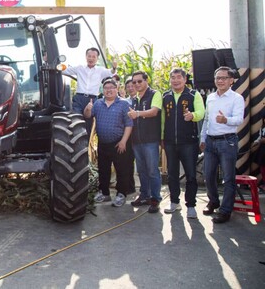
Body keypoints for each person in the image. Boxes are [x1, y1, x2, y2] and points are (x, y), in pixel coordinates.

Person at [200, 66, 245, 224]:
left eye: (223, 78)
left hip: (227, 141)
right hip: (211, 141)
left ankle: (225, 210)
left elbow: (239, 119)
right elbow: (206, 120)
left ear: (231, 80)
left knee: (228, 179)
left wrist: (226, 120)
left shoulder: (236, 98)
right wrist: (202, 138)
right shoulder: (211, 97)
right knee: (208, 175)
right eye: (217, 78)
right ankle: (213, 201)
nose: (220, 81)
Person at [162, 68, 205, 219]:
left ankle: (191, 205)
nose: (175, 80)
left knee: (191, 175)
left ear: (185, 79)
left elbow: (201, 113)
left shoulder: (193, 95)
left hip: (188, 142)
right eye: (172, 78)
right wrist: (162, 138)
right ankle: (174, 202)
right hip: (170, 143)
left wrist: (193, 115)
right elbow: (163, 120)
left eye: (178, 77)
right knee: (172, 174)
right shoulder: (166, 96)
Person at [84, 78, 133, 207]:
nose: (109, 90)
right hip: (103, 143)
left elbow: (129, 124)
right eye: (106, 88)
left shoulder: (123, 104)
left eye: (111, 87)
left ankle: (121, 194)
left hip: (119, 143)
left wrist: (123, 141)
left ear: (116, 89)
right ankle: (104, 193)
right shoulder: (98, 103)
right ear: (103, 90)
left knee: (121, 169)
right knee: (103, 169)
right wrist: (88, 109)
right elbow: (88, 116)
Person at [128, 70, 163, 213]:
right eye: (134, 82)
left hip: (150, 140)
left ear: (146, 81)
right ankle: (144, 195)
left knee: (153, 171)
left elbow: (154, 111)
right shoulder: (135, 99)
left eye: (139, 81)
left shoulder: (155, 94)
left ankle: (155, 199)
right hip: (137, 141)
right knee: (141, 171)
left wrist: (137, 114)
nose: (136, 84)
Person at [62, 47, 117, 133]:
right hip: (79, 98)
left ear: (97, 58)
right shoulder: (80, 68)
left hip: (92, 100)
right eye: (89, 56)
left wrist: (114, 67)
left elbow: (111, 72)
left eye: (93, 57)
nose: (91, 58)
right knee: (76, 121)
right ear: (86, 57)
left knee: (89, 124)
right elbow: (64, 71)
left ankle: (87, 144)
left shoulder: (100, 70)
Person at [251, 115, 265, 193]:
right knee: (262, 167)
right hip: (262, 150)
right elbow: (259, 138)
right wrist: (255, 143)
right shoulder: (262, 128)